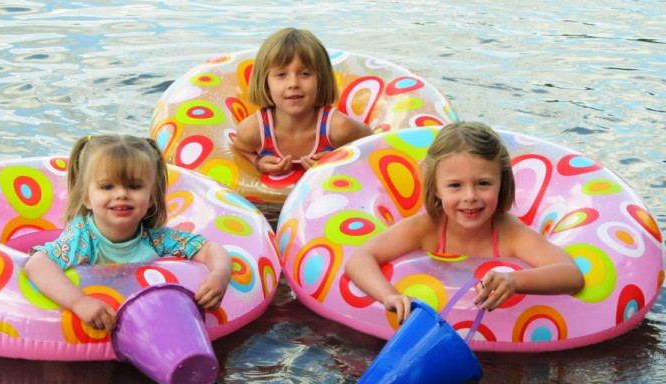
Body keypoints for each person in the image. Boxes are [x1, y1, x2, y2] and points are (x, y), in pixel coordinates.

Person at [344, 121, 585, 324]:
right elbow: (360, 258)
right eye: (455, 185)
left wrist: (514, 281)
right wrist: (390, 296)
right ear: (436, 188)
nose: (470, 196)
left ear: (502, 183)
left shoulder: (510, 233)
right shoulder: (427, 227)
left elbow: (571, 274)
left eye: (483, 183)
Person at [25, 135, 232, 332]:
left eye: (134, 186)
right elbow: (38, 263)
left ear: (151, 197)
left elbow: (210, 249)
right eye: (107, 186)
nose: (121, 194)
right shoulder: (82, 239)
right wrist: (79, 302)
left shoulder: (156, 237)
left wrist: (219, 275)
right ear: (86, 198)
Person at [232, 27, 373, 187]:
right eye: (281, 75)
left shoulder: (339, 128)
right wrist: (258, 162)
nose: (293, 83)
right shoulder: (253, 130)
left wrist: (340, 159)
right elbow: (240, 148)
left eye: (305, 74)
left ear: (321, 80)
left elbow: (372, 140)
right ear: (265, 82)